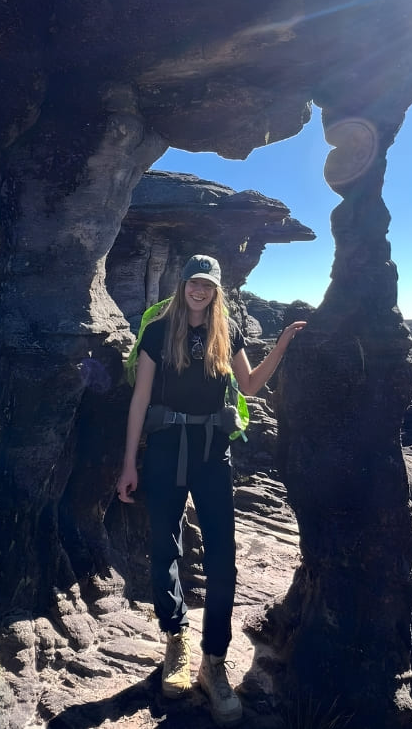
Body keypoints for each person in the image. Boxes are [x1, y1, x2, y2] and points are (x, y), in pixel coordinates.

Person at [116, 254, 306, 727]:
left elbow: (250, 385)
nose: (199, 290)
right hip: (163, 451)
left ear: (217, 290)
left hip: (211, 452)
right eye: (193, 283)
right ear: (182, 285)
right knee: (164, 546)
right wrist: (128, 462)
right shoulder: (159, 330)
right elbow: (140, 396)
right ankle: (176, 640)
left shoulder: (228, 332)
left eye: (208, 285)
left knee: (223, 556)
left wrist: (281, 344)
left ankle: (213, 662)